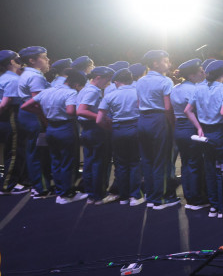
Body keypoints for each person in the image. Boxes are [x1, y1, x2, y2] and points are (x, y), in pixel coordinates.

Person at [22, 70, 87, 203]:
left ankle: (59, 192)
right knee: (67, 161)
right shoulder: (71, 93)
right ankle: (67, 194)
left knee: (55, 160)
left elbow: (25, 105)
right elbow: (70, 111)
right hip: (65, 128)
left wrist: (43, 114)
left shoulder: (47, 91)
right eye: (79, 86)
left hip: (51, 128)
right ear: (75, 84)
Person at [186, 59, 223, 218]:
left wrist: (199, 127)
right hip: (219, 132)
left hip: (205, 133)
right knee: (222, 170)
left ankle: (214, 206)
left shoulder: (198, 87)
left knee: (209, 169)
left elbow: (187, 110)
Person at [135, 50, 177, 209]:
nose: (169, 64)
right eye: (166, 61)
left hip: (143, 119)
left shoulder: (140, 81)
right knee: (162, 160)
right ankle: (161, 198)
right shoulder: (166, 81)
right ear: (155, 63)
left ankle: (150, 195)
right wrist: (172, 125)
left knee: (147, 160)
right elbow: (168, 108)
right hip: (159, 120)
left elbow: (138, 103)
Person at [97, 67, 143, 206]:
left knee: (121, 164)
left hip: (117, 130)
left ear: (117, 81)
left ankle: (123, 196)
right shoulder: (138, 93)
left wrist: (111, 128)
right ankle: (135, 196)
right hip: (135, 127)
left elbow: (99, 120)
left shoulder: (110, 95)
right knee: (135, 162)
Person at [76, 66, 117, 204]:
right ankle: (99, 195)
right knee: (99, 163)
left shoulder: (85, 89)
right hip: (95, 129)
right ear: (98, 77)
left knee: (89, 162)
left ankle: (91, 194)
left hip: (87, 129)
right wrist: (102, 118)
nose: (108, 83)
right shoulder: (93, 91)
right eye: (106, 80)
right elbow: (81, 111)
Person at [171, 59, 207, 210]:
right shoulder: (194, 89)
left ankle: (190, 197)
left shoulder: (175, 88)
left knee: (186, 163)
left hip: (179, 126)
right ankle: (196, 200)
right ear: (192, 75)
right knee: (195, 163)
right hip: (192, 126)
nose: (203, 73)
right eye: (200, 71)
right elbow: (199, 110)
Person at [17, 46, 52, 198]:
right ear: (32, 60)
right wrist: (46, 121)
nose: (47, 60)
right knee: (37, 153)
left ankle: (37, 185)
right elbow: (37, 102)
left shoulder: (27, 73)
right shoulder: (36, 76)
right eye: (44, 57)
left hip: (26, 114)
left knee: (33, 151)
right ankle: (41, 188)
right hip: (34, 115)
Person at [0, 50, 28, 194]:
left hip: (6, 118)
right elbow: (5, 104)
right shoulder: (13, 79)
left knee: (11, 151)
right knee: (14, 152)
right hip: (11, 116)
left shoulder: (4, 77)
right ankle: (7, 186)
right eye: (17, 59)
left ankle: (13, 181)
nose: (20, 61)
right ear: (11, 61)